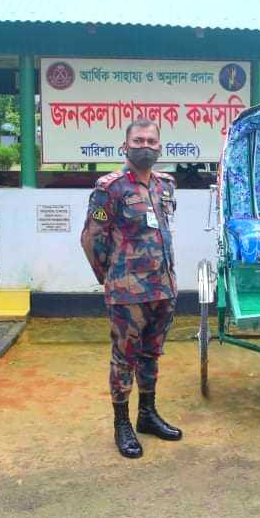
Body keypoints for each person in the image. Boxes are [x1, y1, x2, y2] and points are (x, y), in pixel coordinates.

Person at [81, 119, 182, 459]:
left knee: (151, 355)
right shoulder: (109, 188)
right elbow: (91, 238)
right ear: (125, 146)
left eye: (152, 141)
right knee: (124, 359)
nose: (146, 145)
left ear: (160, 146)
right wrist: (109, 278)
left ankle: (147, 414)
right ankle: (122, 423)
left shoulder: (165, 185)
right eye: (139, 140)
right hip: (127, 292)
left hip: (163, 288)